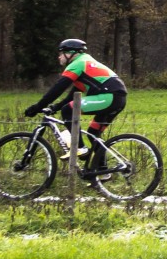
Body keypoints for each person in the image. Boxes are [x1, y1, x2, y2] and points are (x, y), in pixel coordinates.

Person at [24, 39, 128, 177]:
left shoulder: (77, 64)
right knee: (93, 133)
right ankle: (103, 172)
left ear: (70, 53)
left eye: (61, 53)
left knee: (68, 110)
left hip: (109, 96)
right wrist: (55, 107)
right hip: (117, 98)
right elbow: (72, 95)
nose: (59, 57)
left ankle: (81, 148)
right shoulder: (85, 62)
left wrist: (38, 107)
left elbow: (58, 89)